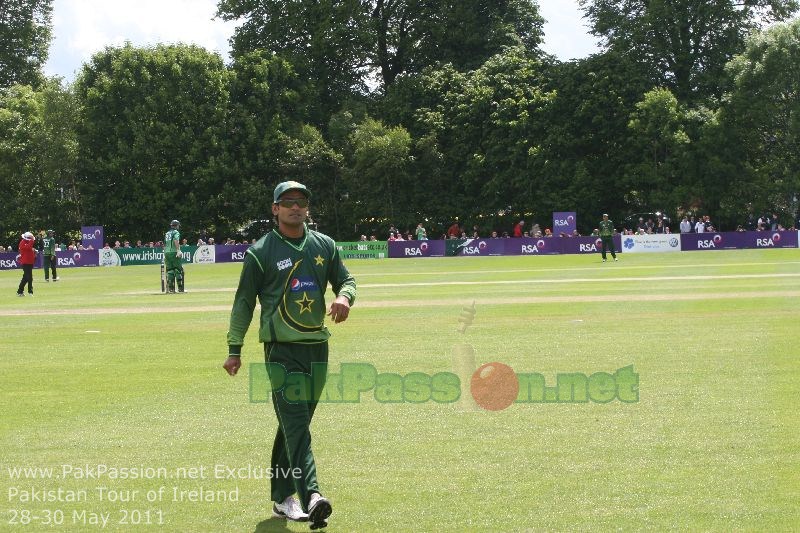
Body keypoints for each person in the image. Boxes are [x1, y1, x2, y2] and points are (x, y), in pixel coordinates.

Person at [223, 181, 356, 529]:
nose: (295, 207)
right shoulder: (260, 252)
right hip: (280, 350)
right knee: (296, 425)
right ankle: (312, 495)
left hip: (317, 349)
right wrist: (234, 348)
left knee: (294, 425)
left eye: (301, 202)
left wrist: (344, 297)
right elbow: (243, 303)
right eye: (288, 202)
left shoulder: (323, 245)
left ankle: (282, 499)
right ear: (275, 209)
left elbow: (347, 280)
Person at [164, 219, 184, 293]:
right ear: (176, 225)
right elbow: (176, 240)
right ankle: (180, 289)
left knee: (170, 271)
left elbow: (165, 244)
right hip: (174, 252)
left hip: (166, 252)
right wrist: (178, 250)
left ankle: (171, 289)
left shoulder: (167, 233)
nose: (179, 226)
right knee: (178, 270)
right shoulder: (176, 232)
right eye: (178, 225)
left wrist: (165, 253)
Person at [17, 232, 37, 296]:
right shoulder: (22, 243)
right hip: (25, 263)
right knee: (30, 278)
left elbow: (29, 249)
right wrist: (32, 240)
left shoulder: (27, 243)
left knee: (25, 278)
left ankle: (20, 291)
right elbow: (28, 248)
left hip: (29, 262)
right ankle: (30, 292)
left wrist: (34, 251)